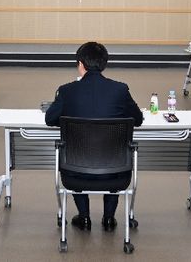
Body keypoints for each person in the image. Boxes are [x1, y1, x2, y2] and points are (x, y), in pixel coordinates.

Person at [46, 42, 143, 232]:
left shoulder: (66, 91)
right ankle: (109, 219)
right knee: (111, 152)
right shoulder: (120, 90)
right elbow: (137, 119)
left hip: (75, 173)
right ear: (104, 64)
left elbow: (50, 119)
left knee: (80, 153)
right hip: (116, 174)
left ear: (81, 64)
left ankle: (84, 217)